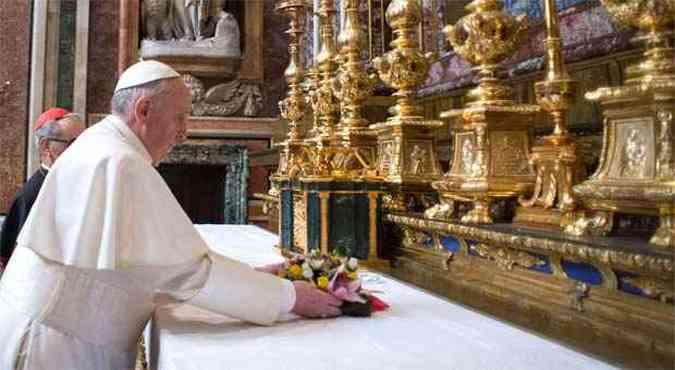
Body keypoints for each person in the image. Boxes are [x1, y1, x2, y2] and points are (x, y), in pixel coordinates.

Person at [0, 60, 341, 370]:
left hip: (61, 330)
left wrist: (255, 277)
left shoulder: (103, 146)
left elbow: (146, 264)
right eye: (180, 117)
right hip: (56, 347)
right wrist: (290, 297)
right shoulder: (119, 161)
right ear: (144, 109)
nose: (185, 131)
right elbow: (185, 273)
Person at [0, 108, 84, 270]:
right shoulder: (32, 195)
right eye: (73, 143)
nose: (82, 149)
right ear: (46, 146)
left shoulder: (76, 183)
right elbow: (17, 262)